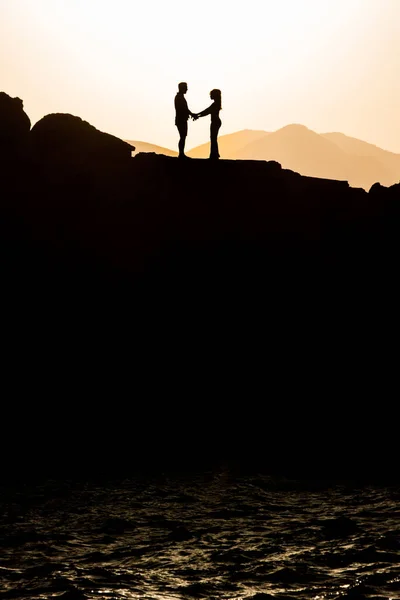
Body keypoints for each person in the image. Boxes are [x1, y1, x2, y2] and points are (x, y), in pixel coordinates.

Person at [195, 89, 222, 159]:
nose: (210, 96)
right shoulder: (216, 103)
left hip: (215, 122)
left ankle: (214, 155)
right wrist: (198, 115)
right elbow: (207, 111)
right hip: (216, 122)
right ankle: (214, 154)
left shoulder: (215, 104)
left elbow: (206, 111)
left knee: (213, 138)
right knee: (213, 138)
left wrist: (197, 115)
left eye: (211, 94)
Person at [174, 82, 198, 159]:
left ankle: (181, 153)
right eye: (186, 87)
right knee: (182, 136)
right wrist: (192, 114)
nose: (187, 89)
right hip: (181, 120)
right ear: (182, 88)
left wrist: (191, 114)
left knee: (183, 136)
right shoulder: (179, 97)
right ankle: (181, 154)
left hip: (182, 119)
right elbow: (184, 109)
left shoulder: (180, 97)